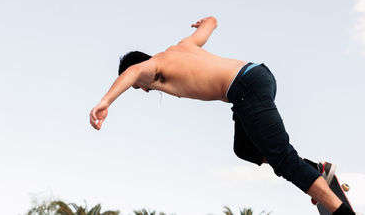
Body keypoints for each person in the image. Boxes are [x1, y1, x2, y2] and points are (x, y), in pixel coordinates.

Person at [89, 16, 355, 215]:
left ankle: (339, 210)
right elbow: (211, 23)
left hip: (244, 89)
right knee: (244, 148)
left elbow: (132, 73)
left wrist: (105, 101)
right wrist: (206, 22)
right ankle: (315, 170)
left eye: (140, 88)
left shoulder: (151, 67)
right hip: (257, 74)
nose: (144, 90)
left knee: (282, 159)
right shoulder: (183, 46)